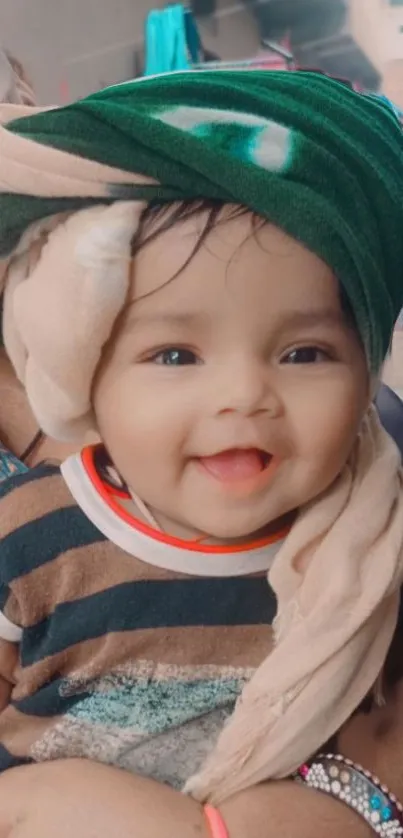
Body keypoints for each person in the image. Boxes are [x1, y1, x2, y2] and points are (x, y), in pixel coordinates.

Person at [0, 69, 402, 837]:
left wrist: (345, 810)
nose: (245, 395)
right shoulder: (26, 530)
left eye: (305, 353)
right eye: (177, 356)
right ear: (90, 378)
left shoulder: (369, 545)